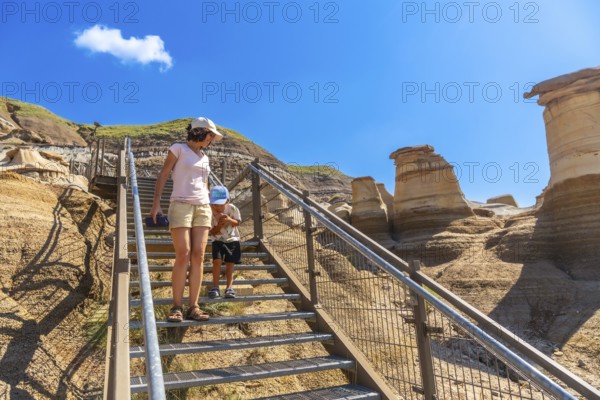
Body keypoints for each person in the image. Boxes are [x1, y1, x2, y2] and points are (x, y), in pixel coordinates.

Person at [150, 117, 223, 322]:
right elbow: (164, 174)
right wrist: (156, 203)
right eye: (210, 135)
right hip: (180, 204)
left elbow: (205, 185)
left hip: (202, 207)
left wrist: (212, 208)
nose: (211, 140)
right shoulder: (178, 148)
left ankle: (194, 306)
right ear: (199, 132)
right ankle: (176, 306)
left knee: (199, 255)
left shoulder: (205, 158)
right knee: (184, 253)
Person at [207, 185, 241, 299]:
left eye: (221, 204)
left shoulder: (232, 208)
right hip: (217, 240)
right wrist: (219, 225)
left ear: (227, 200)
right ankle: (215, 287)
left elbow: (237, 222)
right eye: (216, 204)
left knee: (230, 263)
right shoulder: (210, 212)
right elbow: (211, 231)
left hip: (232, 240)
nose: (219, 207)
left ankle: (229, 288)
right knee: (216, 261)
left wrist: (228, 220)